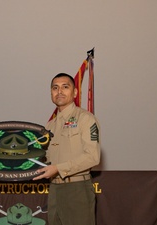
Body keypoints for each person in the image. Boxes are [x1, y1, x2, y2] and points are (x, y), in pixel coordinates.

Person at [33, 73, 101, 225]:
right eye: (55, 88)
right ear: (51, 93)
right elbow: (45, 158)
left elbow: (93, 157)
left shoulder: (85, 119)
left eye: (65, 87)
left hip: (77, 189)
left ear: (75, 92)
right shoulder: (50, 126)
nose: (60, 91)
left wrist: (58, 168)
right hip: (54, 189)